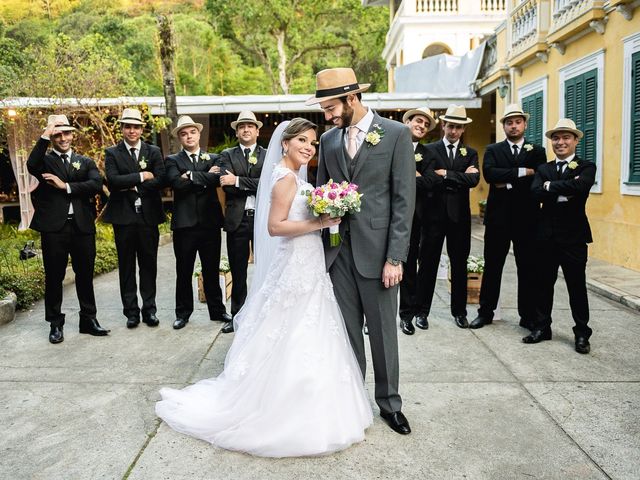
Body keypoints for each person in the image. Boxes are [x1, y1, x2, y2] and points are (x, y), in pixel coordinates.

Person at [156, 119, 372, 457]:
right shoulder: (285, 179)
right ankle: (284, 406)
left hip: (308, 262)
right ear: (284, 143)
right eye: (302, 140)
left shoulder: (295, 176)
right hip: (296, 264)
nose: (309, 147)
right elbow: (275, 227)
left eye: (313, 143)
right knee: (293, 328)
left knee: (310, 327)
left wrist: (327, 213)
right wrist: (319, 223)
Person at [309, 67, 415, 435]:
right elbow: (322, 191)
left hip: (380, 254)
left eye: (330, 107)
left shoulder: (397, 134)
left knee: (384, 333)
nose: (327, 116)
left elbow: (404, 201)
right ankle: (352, 402)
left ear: (351, 98)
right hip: (338, 253)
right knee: (347, 333)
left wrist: (395, 257)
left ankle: (389, 404)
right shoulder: (328, 142)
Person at [26, 114, 109, 344]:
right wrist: (45, 133)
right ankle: (55, 324)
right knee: (54, 276)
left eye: (66, 133)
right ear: (52, 137)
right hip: (54, 228)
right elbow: (31, 164)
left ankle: (88, 320)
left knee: (85, 275)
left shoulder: (85, 161)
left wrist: (66, 186)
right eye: (57, 134)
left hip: (82, 227)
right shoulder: (45, 161)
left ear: (73, 135)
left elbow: (95, 184)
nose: (63, 138)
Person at [470, 104, 546, 330]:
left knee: (527, 267)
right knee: (493, 266)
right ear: (503, 126)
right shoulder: (493, 149)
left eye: (518, 122)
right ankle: (485, 312)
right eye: (509, 122)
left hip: (528, 218)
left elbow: (539, 178)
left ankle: (528, 315)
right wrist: (524, 172)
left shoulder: (537, 151)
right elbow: (491, 175)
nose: (514, 126)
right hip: (498, 218)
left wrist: (509, 180)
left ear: (524, 124)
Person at [526, 118, 595, 354]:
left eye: (566, 137)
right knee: (543, 285)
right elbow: (535, 193)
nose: (560, 142)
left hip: (574, 237)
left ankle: (582, 333)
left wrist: (550, 188)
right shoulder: (544, 169)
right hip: (546, 236)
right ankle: (542, 327)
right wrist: (563, 188)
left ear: (575, 140)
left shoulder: (586, 167)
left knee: (577, 287)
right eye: (556, 138)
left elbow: (581, 187)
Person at [415, 104, 480, 329]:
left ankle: (459, 312)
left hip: (460, 218)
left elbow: (474, 180)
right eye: (450, 126)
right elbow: (426, 178)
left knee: (459, 265)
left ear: (462, 130)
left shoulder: (470, 153)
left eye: (458, 127)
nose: (453, 131)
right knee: (427, 265)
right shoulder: (428, 150)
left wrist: (446, 175)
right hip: (432, 216)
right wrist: (459, 176)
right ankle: (421, 312)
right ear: (443, 125)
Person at [165, 115, 231, 330]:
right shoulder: (173, 160)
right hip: (184, 226)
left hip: (210, 223)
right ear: (180, 138)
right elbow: (176, 183)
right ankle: (182, 313)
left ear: (199, 134)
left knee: (211, 269)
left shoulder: (214, 158)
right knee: (183, 271)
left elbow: (217, 179)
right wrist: (202, 177)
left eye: (192, 132)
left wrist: (191, 176)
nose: (188, 136)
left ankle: (217, 311)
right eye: (184, 134)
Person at [102, 108, 166, 329]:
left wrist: (129, 183)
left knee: (149, 265)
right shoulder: (112, 153)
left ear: (142, 129)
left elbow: (161, 180)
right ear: (122, 129)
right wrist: (141, 175)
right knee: (127, 266)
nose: (132, 130)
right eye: (128, 126)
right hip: (124, 218)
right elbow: (112, 181)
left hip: (148, 217)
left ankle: (150, 310)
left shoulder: (154, 151)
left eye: (136, 127)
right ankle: (131, 312)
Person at [218, 111, 267, 334]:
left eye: (250, 126)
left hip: (262, 221)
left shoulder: (268, 154)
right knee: (238, 271)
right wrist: (251, 183)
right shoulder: (227, 155)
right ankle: (237, 317)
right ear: (236, 132)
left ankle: (263, 315)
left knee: (265, 269)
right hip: (237, 220)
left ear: (257, 130)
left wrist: (237, 179)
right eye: (242, 126)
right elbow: (225, 185)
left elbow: (268, 184)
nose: (246, 129)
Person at [400, 106, 437, 335]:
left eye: (426, 124)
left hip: (422, 217)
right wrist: (414, 176)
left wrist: (413, 178)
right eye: (418, 121)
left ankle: (416, 313)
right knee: (400, 265)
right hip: (397, 216)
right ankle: (399, 315)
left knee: (420, 265)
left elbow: (432, 181)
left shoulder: (430, 153)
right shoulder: (393, 145)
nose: (421, 126)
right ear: (408, 122)